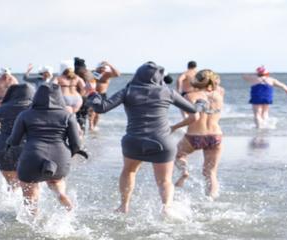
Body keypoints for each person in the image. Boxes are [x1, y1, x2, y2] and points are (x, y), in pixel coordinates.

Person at [86, 62, 198, 214]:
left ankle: (124, 206)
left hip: (134, 141)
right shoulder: (168, 92)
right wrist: (199, 104)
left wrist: (92, 93)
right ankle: (166, 208)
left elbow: (101, 108)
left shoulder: (128, 91)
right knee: (165, 181)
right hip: (162, 141)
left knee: (129, 172)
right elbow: (193, 110)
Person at [7, 83, 87, 219]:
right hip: (60, 158)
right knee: (57, 184)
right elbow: (76, 144)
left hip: (32, 156)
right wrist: (68, 156)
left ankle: (34, 224)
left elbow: (14, 141)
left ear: (36, 97)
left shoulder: (25, 115)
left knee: (31, 196)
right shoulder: (67, 116)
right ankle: (67, 209)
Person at [173, 69, 225, 198]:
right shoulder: (219, 95)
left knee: (179, 155)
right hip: (215, 136)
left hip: (194, 136)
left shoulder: (189, 96)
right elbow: (217, 87)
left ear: (196, 80)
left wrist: (174, 127)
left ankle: (184, 171)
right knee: (211, 173)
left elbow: (190, 117)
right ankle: (211, 199)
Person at [0, 81, 32, 190]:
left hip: (3, 147)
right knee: (28, 187)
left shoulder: (3, 108)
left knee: (12, 184)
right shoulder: (35, 109)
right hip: (27, 148)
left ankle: (6, 205)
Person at [88, 60, 119, 132]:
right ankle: (90, 126)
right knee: (91, 110)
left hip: (102, 94)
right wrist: (96, 71)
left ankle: (94, 126)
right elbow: (89, 78)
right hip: (93, 93)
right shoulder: (94, 73)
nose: (102, 69)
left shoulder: (107, 74)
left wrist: (109, 64)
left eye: (104, 68)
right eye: (101, 67)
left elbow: (117, 74)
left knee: (98, 112)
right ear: (98, 67)